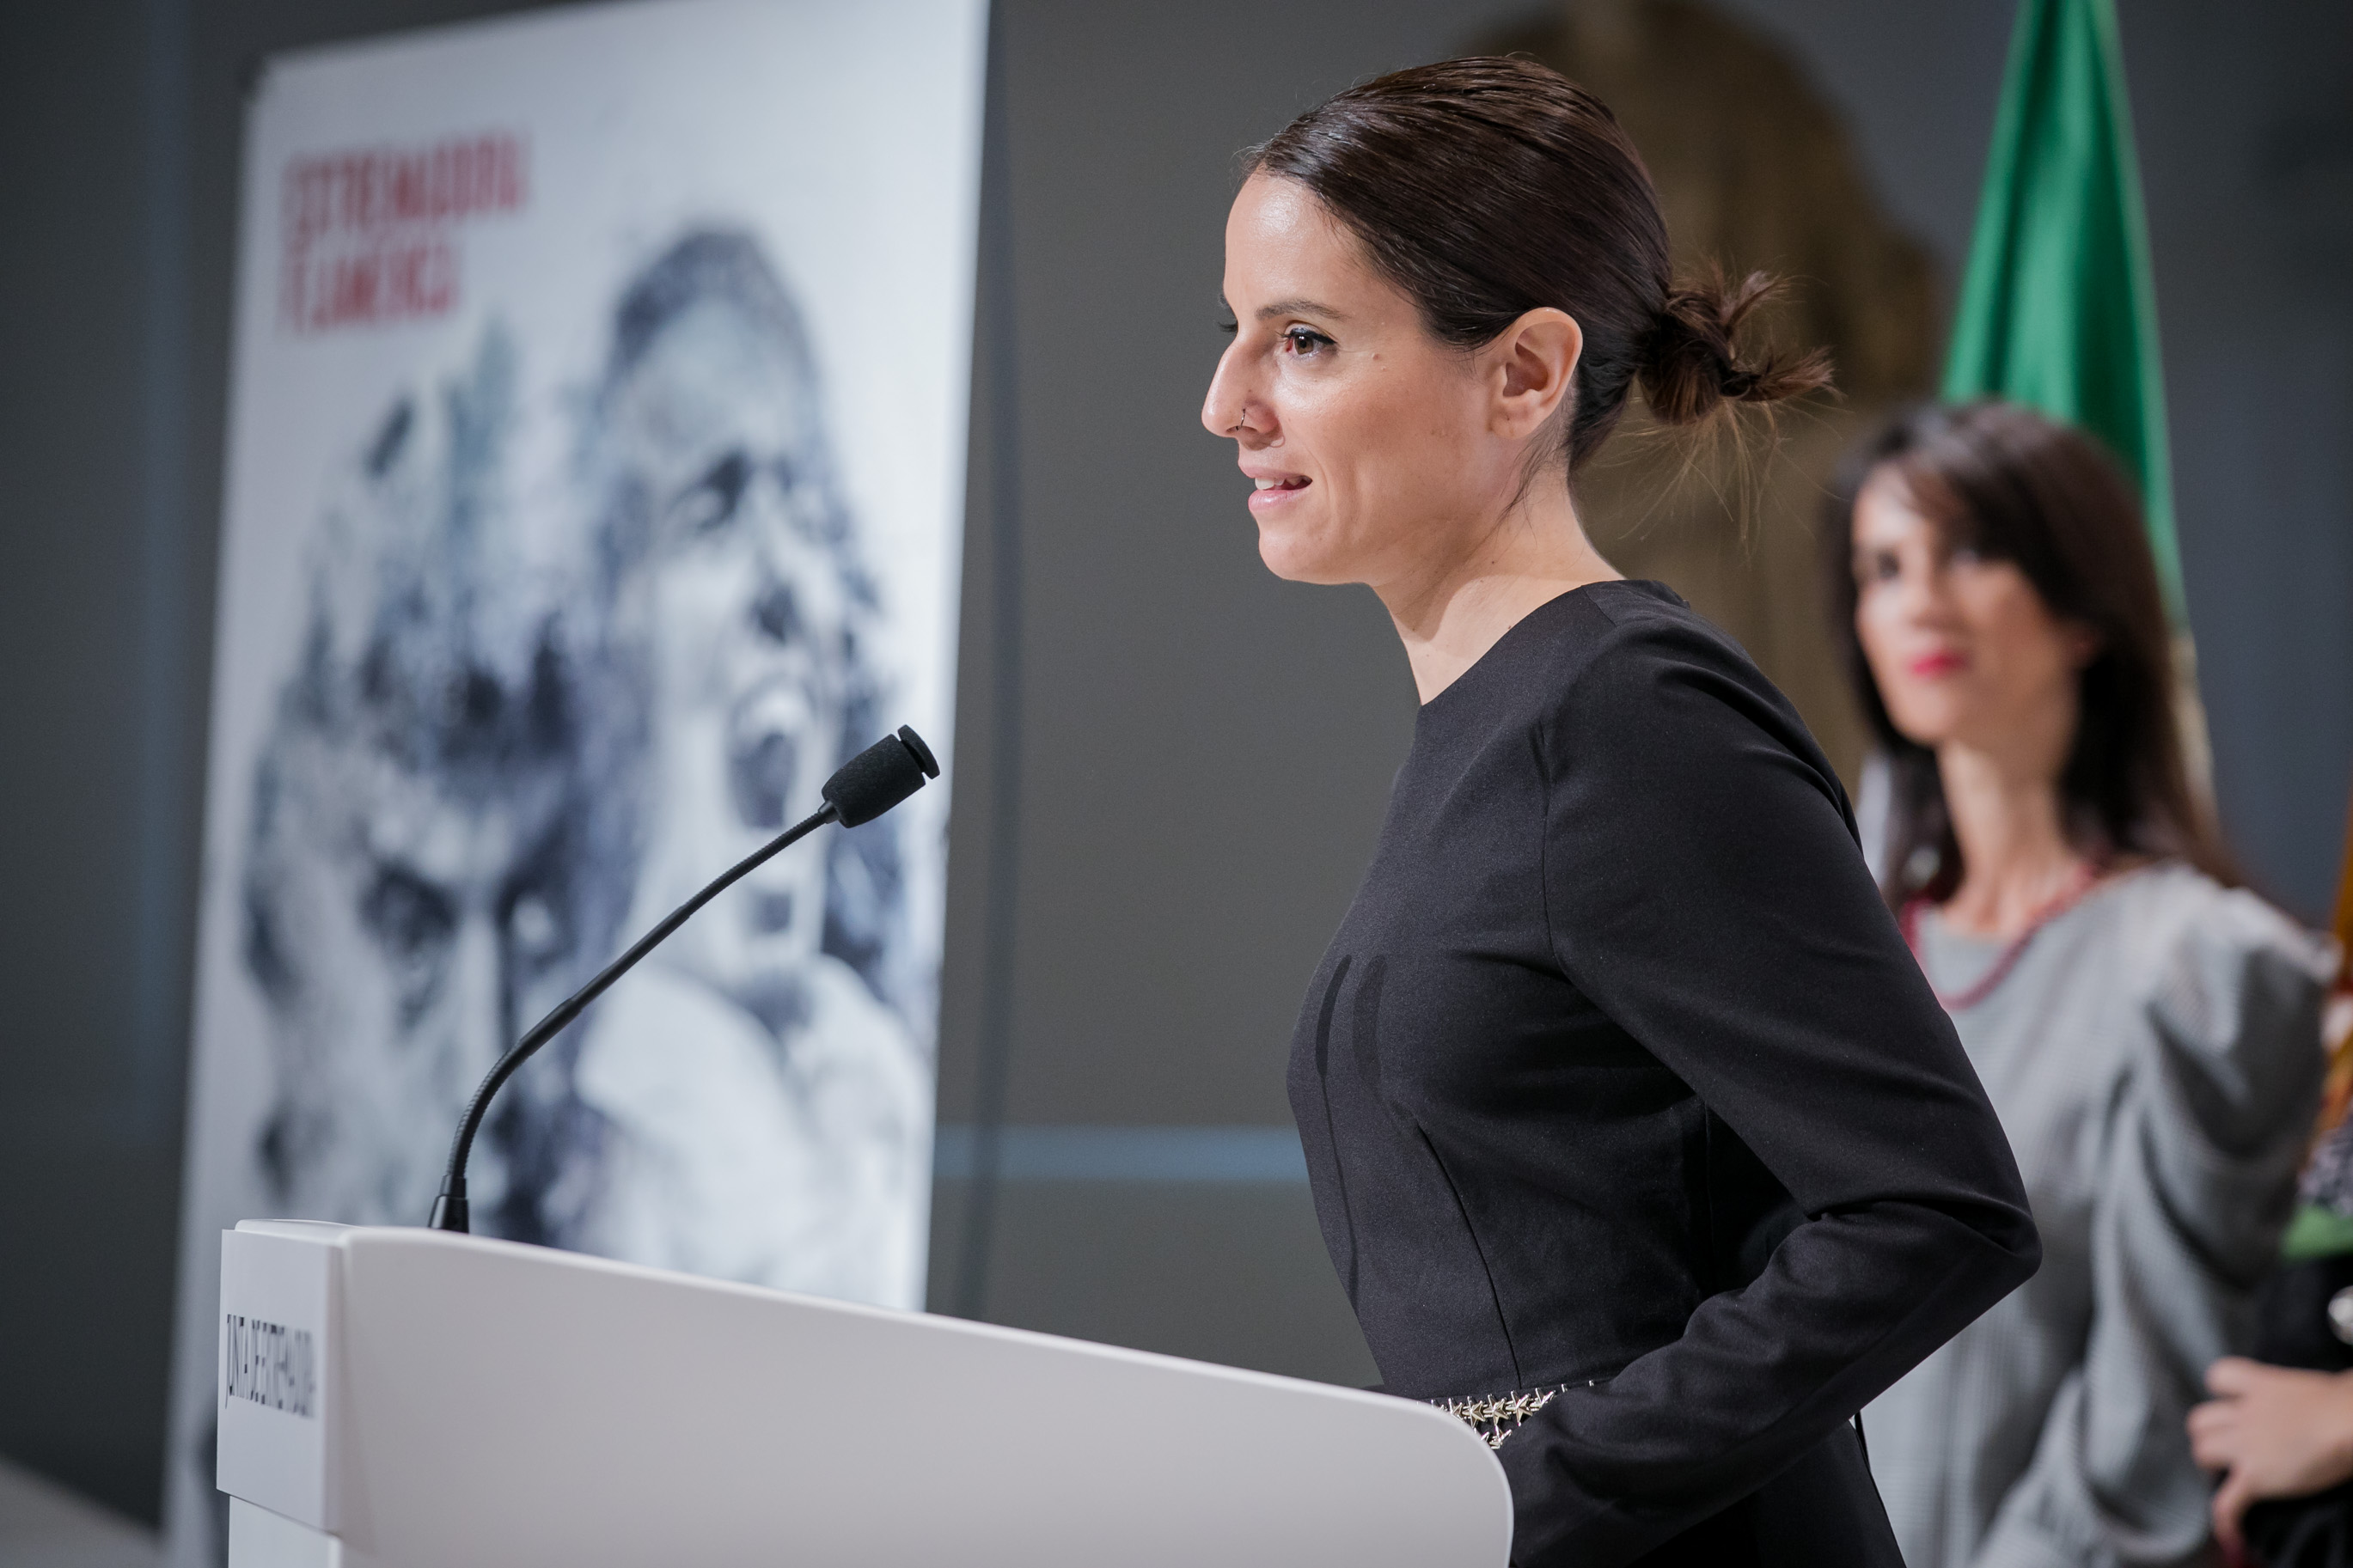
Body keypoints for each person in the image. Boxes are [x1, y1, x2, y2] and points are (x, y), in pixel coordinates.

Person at [1201, 58, 2040, 1566]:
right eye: (1235, 337)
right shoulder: (1502, 725)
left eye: (1303, 341)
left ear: (1521, 373)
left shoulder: (1627, 715)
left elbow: (1934, 1206)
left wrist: (1522, 1500)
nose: (1225, 406)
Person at [1836, 401, 2332, 1568]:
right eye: (1880, 567)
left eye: (1969, 550)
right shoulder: (1821, 954)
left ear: (2082, 610)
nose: (1918, 600)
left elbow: (2148, 1420)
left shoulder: (2199, 971)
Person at [567, 229, 932, 1306]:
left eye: (804, 508)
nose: (791, 582)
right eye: (712, 511)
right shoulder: (576, 1113)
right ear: (611, 625)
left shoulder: (871, 1074)